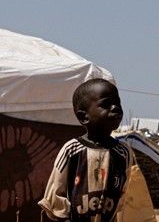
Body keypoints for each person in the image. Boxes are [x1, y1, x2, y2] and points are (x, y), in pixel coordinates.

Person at [41, 78, 131, 221]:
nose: (115, 107)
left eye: (117, 103)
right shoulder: (72, 150)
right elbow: (56, 192)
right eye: (106, 104)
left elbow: (124, 193)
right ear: (84, 117)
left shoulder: (123, 152)